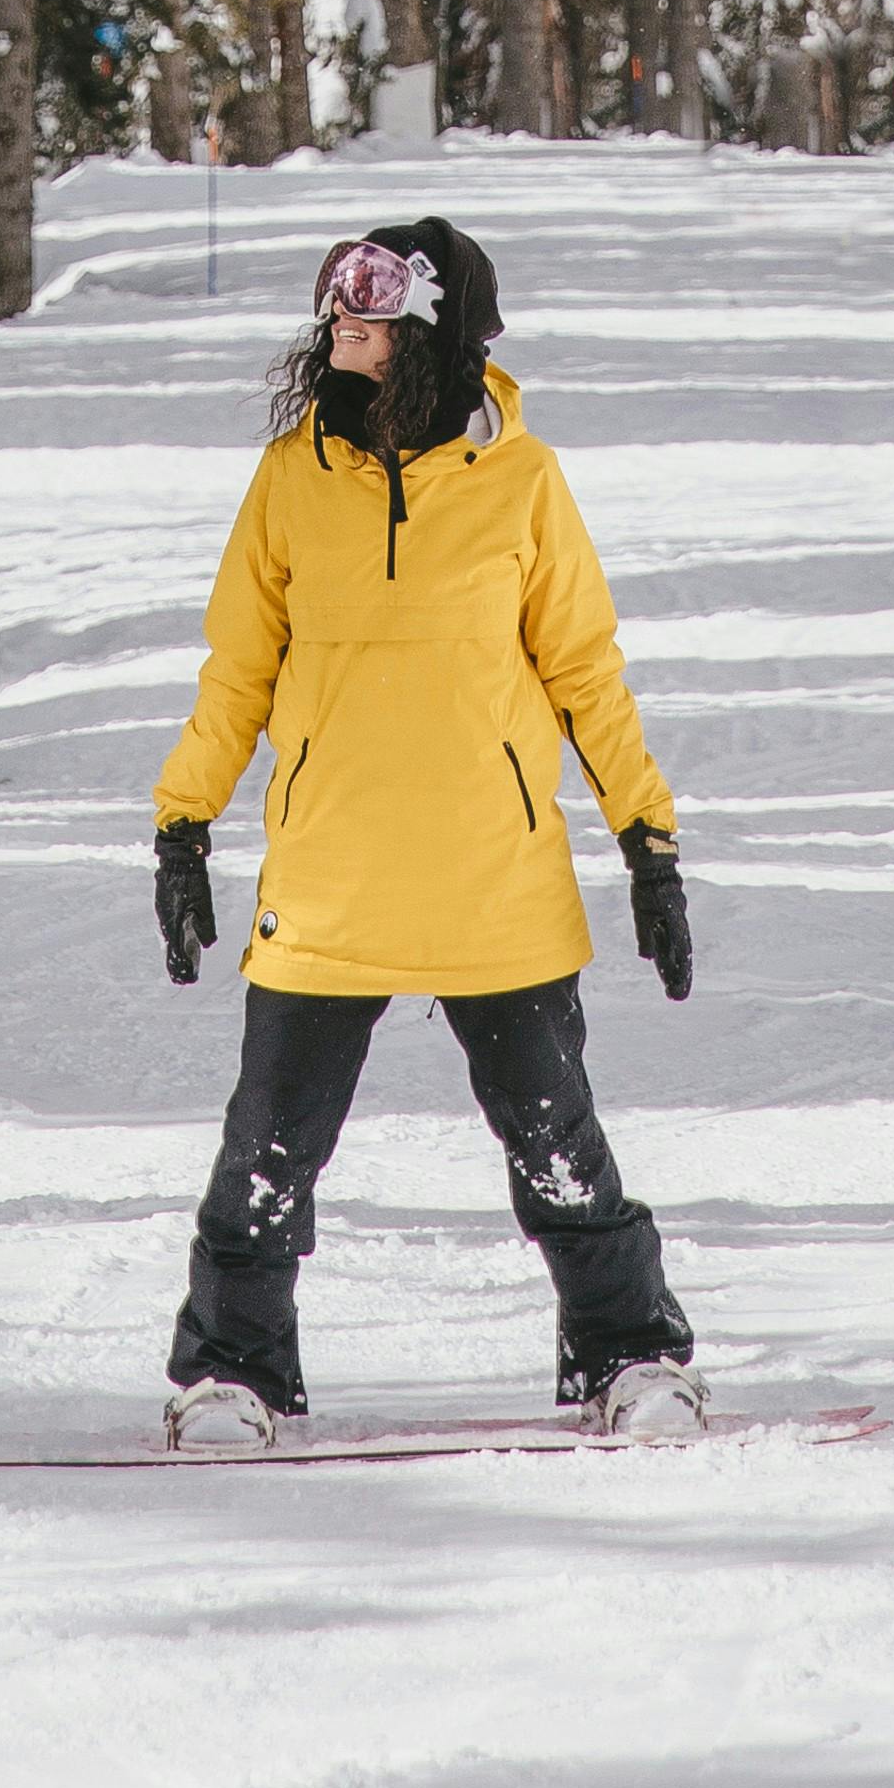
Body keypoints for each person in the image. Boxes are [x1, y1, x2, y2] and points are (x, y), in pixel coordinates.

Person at [145, 213, 703, 1448]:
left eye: (375, 304)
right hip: (328, 885)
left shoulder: (522, 480)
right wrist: (181, 822)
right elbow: (235, 671)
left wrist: (645, 842)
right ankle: (233, 1374)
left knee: (557, 1147)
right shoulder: (291, 480)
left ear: (438, 331)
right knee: (265, 1158)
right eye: (336, 299)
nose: (344, 317)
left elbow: (585, 674)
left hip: (489, 884)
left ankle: (627, 1358)